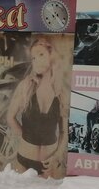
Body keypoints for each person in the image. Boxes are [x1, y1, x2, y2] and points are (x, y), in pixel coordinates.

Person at [6, 37, 68, 177]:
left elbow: (64, 131)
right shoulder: (26, 86)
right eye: (34, 58)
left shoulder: (61, 93)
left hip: (49, 164)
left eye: (41, 55)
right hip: (24, 160)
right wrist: (26, 136)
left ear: (51, 56)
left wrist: (57, 155)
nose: (36, 60)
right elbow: (10, 117)